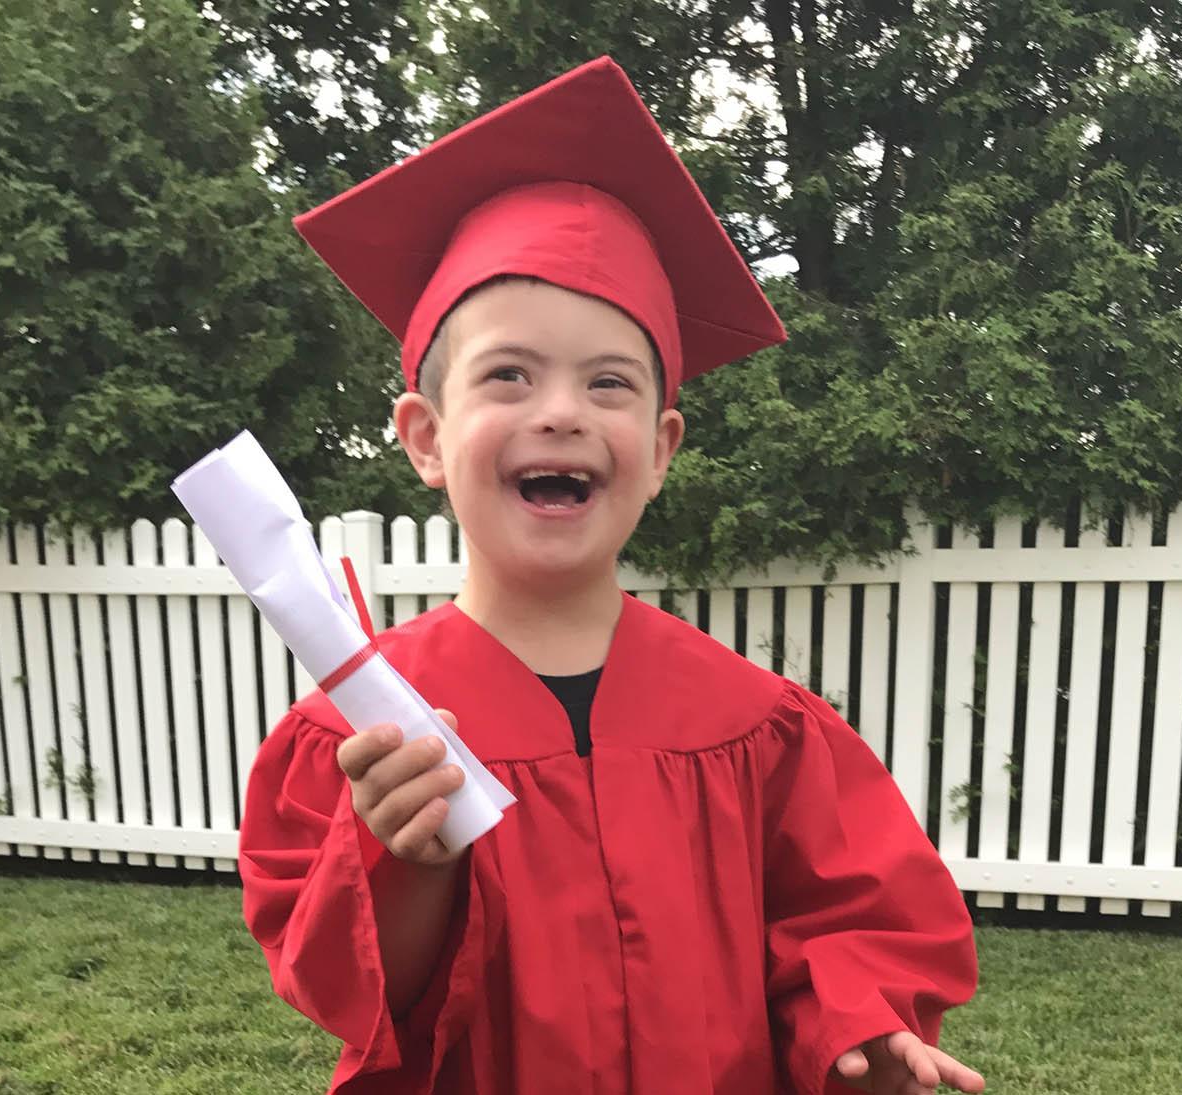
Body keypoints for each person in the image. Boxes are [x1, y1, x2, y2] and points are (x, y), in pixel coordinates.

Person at [238, 57, 982, 1095]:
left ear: (662, 445)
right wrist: (398, 853)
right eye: (508, 375)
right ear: (423, 436)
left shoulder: (759, 728)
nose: (561, 412)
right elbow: (357, 998)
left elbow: (848, 921)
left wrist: (855, 1033)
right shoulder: (363, 734)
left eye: (609, 383)